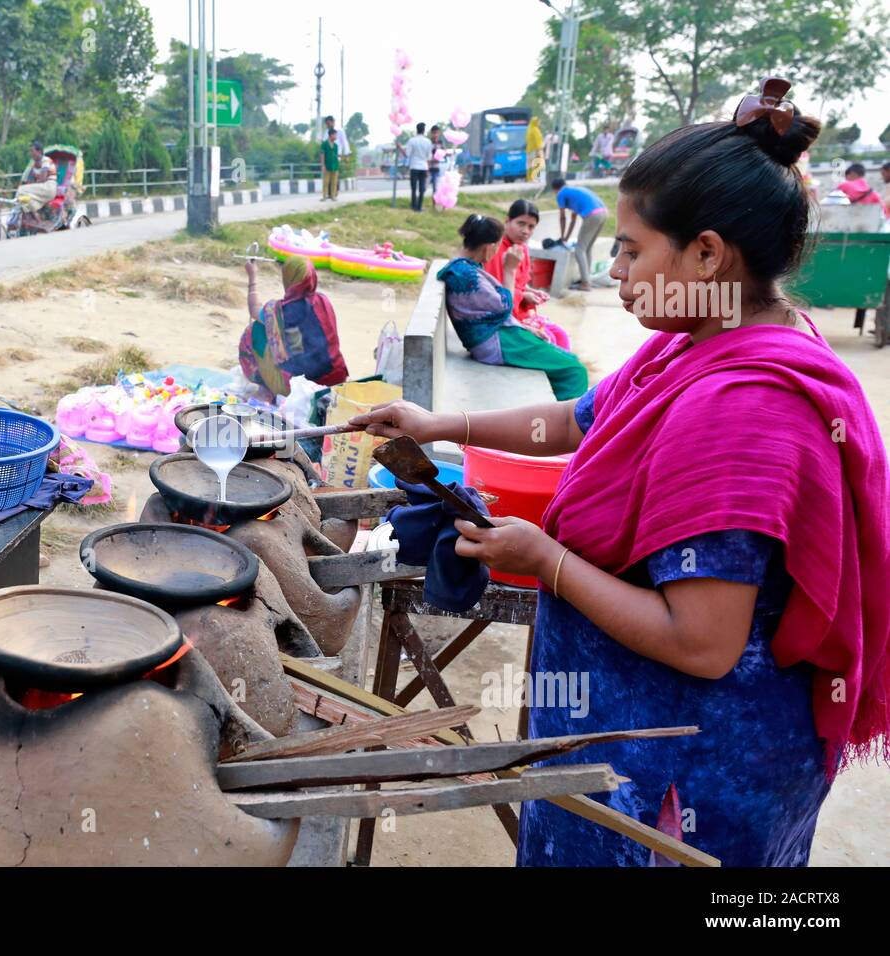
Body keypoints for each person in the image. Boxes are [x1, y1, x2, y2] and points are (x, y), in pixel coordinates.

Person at [351, 76, 890, 867]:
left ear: (706, 253)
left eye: (633, 251)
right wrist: (441, 424)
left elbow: (702, 643)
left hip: (679, 777)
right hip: (626, 732)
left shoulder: (741, 410)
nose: (617, 274)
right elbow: (575, 421)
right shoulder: (699, 339)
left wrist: (545, 561)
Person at [436, 213, 588, 400]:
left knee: (564, 355)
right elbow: (503, 306)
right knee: (574, 370)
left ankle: (559, 414)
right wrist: (510, 269)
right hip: (493, 343)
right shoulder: (464, 274)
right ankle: (566, 423)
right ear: (489, 247)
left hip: (500, 335)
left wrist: (523, 327)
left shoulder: (465, 268)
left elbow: (495, 310)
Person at [239, 255, 348, 402]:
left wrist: (252, 276)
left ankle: (267, 388)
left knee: (255, 330)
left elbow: (254, 309)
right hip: (337, 378)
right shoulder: (323, 300)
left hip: (299, 388)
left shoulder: (279, 312)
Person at [484, 199, 570, 349]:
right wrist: (523, 296)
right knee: (549, 341)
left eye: (531, 227)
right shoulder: (496, 250)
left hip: (522, 311)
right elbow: (496, 292)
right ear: (507, 222)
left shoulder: (522, 248)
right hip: (506, 318)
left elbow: (521, 284)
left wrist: (531, 292)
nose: (525, 231)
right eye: (521, 224)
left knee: (561, 336)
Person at [552, 178, 609, 291]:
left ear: (555, 189)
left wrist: (562, 236)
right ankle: (588, 279)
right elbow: (573, 220)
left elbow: (562, 217)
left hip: (592, 215)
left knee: (579, 250)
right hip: (604, 213)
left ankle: (585, 283)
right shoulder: (574, 192)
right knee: (587, 248)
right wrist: (566, 238)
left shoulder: (561, 194)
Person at [16, 142, 57, 212]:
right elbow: (26, 180)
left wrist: (27, 185)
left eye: (32, 151)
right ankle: (36, 217)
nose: (30, 153)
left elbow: (42, 179)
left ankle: (34, 212)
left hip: (48, 187)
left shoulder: (46, 160)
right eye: (30, 151)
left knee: (21, 190)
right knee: (24, 198)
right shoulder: (33, 165)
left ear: (39, 151)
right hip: (40, 189)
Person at [404, 122, 431, 212]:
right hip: (423, 167)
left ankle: (413, 205)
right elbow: (429, 157)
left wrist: (400, 147)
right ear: (423, 130)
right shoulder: (428, 142)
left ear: (417, 130)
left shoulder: (412, 141)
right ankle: (419, 207)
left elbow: (407, 154)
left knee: (414, 187)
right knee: (421, 188)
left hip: (414, 166)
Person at [320, 129, 341, 201]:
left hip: (335, 166)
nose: (336, 136)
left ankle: (333, 196)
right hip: (327, 165)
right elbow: (322, 154)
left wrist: (340, 157)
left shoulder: (336, 146)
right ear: (331, 135)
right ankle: (324, 196)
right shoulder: (324, 144)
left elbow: (335, 155)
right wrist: (323, 165)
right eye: (335, 135)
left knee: (334, 182)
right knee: (326, 182)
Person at [427, 125, 443, 208]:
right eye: (434, 133)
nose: (435, 135)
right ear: (431, 133)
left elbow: (443, 153)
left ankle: (435, 204)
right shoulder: (428, 142)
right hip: (428, 168)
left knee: (435, 188)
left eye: (437, 133)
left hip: (436, 168)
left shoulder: (440, 143)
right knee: (424, 187)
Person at [526, 117, 545, 184]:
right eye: (538, 121)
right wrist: (539, 150)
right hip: (536, 150)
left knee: (530, 165)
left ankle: (529, 178)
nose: (539, 123)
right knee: (537, 164)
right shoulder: (535, 130)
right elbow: (537, 141)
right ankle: (535, 178)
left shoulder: (529, 129)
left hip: (529, 150)